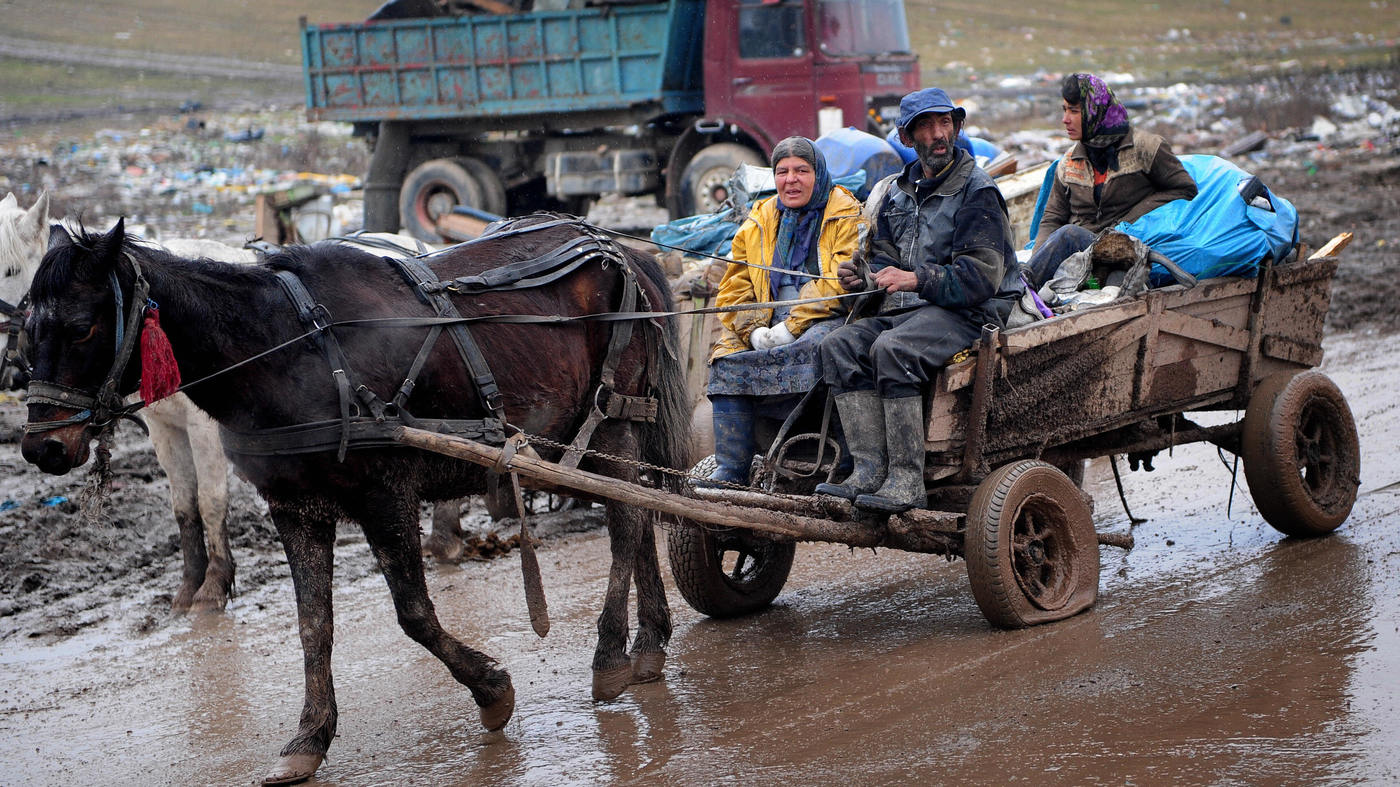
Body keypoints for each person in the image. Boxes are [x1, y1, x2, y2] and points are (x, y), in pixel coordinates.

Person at [815, 87, 1020, 513]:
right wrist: (863, 277)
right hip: (913, 308)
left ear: (956, 127)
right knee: (837, 345)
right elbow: (885, 261)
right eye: (926, 126)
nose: (939, 133)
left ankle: (907, 480)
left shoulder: (977, 191)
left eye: (945, 122)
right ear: (908, 138)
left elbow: (981, 277)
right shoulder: (897, 191)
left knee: (893, 350)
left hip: (971, 311)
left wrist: (914, 279)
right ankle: (869, 470)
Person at [703, 137, 866, 485]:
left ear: (818, 173)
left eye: (801, 171)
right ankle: (731, 470)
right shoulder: (761, 217)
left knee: (824, 348)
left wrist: (791, 326)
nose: (791, 179)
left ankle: (848, 464)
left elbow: (841, 282)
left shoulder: (844, 211)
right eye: (783, 171)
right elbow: (735, 285)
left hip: (828, 316)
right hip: (766, 320)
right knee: (725, 358)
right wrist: (752, 330)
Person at [1025, 72, 1198, 288]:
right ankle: (1025, 284)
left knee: (1069, 236)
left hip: (1122, 249)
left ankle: (1020, 288)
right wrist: (1037, 259)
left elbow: (1184, 190)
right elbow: (1052, 217)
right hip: (1082, 255)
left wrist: (1129, 222)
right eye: (1064, 110)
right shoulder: (1069, 162)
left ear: (1094, 112)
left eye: (1074, 111)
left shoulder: (1146, 148)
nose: (1065, 119)